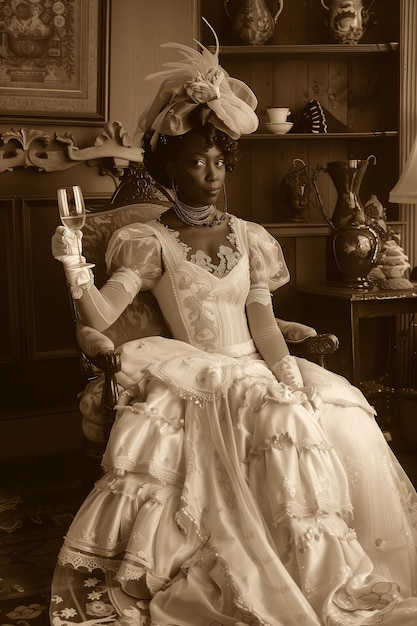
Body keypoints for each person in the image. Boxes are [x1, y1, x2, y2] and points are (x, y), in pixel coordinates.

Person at [50, 24, 417, 626]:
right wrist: (73, 266)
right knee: (277, 416)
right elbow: (101, 317)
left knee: (332, 407)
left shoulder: (252, 237)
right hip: (197, 370)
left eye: (221, 161)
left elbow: (265, 324)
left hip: (254, 360)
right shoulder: (147, 240)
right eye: (198, 161)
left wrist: (285, 374)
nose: (213, 174)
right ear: (173, 165)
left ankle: (323, 568)